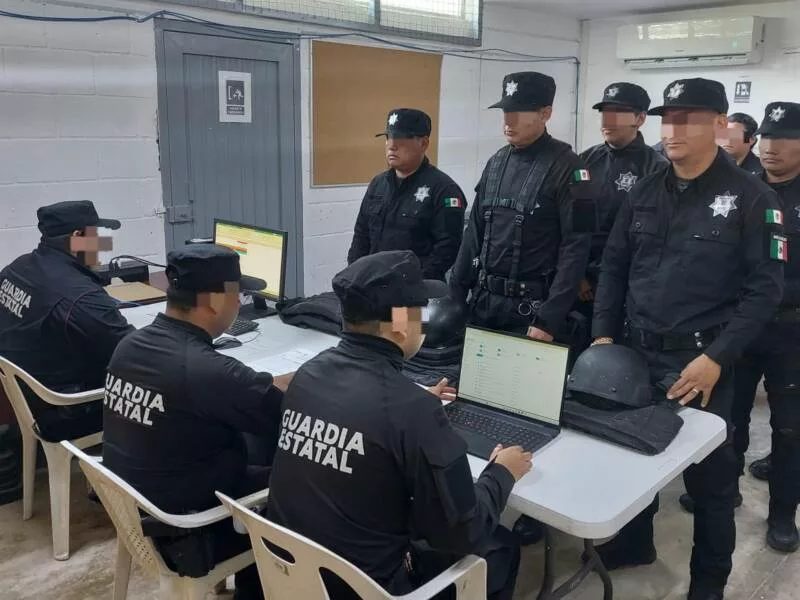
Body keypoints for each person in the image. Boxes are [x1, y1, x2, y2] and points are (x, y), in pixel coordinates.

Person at [592, 78, 784, 600]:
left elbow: (764, 292)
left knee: (712, 484)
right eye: (667, 119)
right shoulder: (645, 190)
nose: (672, 130)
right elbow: (614, 267)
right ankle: (635, 543)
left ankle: (708, 584)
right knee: (631, 459)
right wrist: (603, 336)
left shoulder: (752, 198)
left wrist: (717, 358)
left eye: (687, 119)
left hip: (701, 365)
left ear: (719, 125)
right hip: (634, 354)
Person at [267, 250, 530, 600]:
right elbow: (465, 532)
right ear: (402, 321)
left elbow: (360, 413)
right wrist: (501, 474)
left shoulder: (307, 375)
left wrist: (413, 397)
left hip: (293, 576)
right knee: (500, 546)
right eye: (422, 311)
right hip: (369, 588)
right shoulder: (413, 411)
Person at [103, 244, 291, 599]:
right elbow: (287, 415)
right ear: (215, 301)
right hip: (192, 529)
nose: (240, 303)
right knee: (308, 477)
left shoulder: (131, 345)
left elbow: (243, 391)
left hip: (139, 506)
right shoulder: (207, 371)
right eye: (238, 294)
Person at [450, 71, 592, 344]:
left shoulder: (571, 169)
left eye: (518, 112)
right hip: (483, 305)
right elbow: (473, 234)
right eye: (505, 111)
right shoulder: (496, 162)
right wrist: (455, 295)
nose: (508, 120)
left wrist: (549, 319)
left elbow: (576, 249)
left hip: (533, 314)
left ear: (545, 114)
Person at [724, 102, 799, 553]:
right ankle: (725, 487)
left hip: (792, 332)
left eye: (785, 138)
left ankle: (782, 514)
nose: (772, 147)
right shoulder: (742, 189)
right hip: (742, 326)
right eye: (767, 138)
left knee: (789, 429)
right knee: (731, 416)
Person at [0, 200, 133, 442]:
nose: (101, 245)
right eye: (97, 236)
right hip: (66, 409)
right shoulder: (80, 298)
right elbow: (134, 351)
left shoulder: (16, 268)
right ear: (78, 237)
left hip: (26, 395)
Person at [577, 82, 668, 339]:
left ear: (640, 119)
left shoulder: (657, 168)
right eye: (604, 112)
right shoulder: (585, 160)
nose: (608, 120)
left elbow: (654, 240)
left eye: (618, 113)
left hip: (627, 285)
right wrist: (578, 275)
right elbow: (571, 222)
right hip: (581, 284)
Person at [347, 108, 467, 281]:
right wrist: (355, 274)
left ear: (423, 143)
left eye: (401, 139)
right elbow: (361, 235)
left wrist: (408, 282)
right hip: (372, 286)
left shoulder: (444, 190)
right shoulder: (378, 184)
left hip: (415, 289)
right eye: (388, 138)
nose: (392, 145)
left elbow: (447, 250)